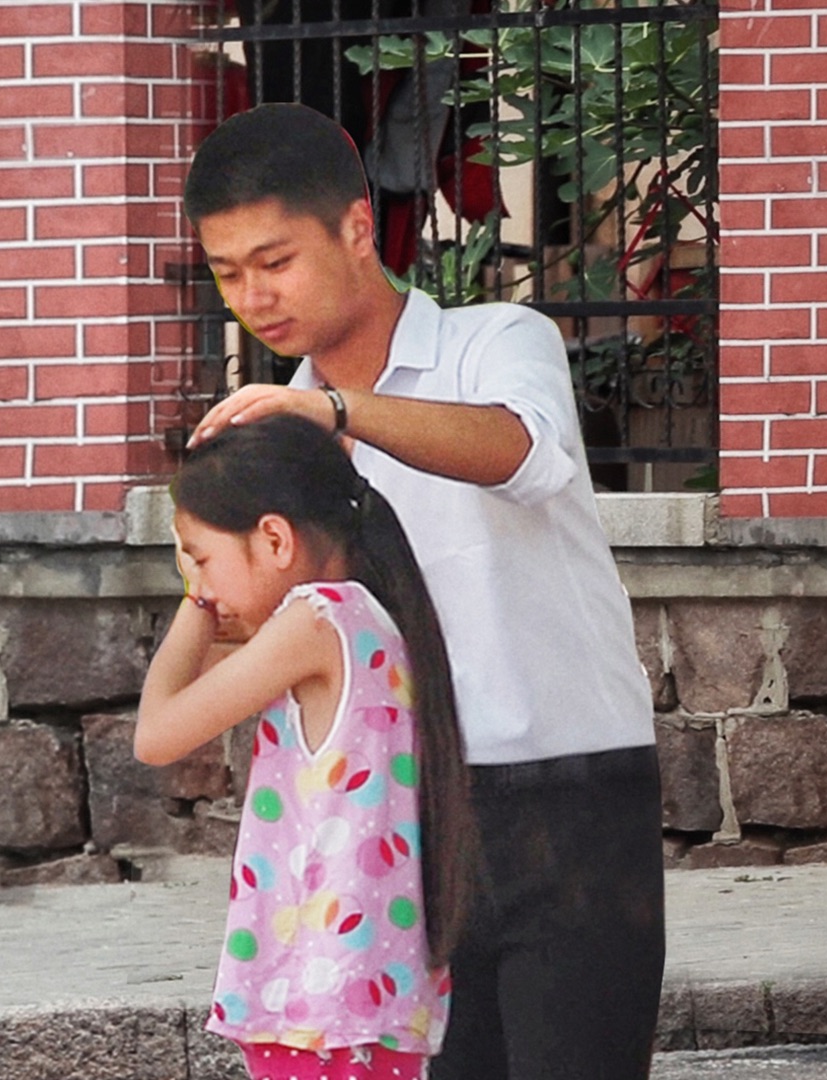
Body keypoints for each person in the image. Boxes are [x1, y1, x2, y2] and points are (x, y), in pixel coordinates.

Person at [183, 103, 664, 1080]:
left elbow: (520, 451)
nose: (253, 297)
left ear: (358, 228)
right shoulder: (271, 432)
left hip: (570, 794)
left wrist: (337, 412)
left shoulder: (499, 340)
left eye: (275, 261)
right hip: (394, 821)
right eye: (228, 274)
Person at [137, 415, 476, 1080]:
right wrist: (215, 581)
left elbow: (157, 733)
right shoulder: (368, 615)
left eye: (201, 558)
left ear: (274, 538)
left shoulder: (317, 619)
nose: (200, 583)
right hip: (359, 992)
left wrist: (196, 608)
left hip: (323, 999)